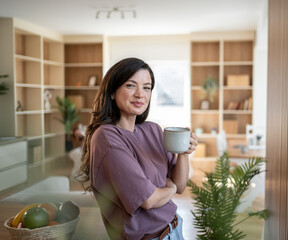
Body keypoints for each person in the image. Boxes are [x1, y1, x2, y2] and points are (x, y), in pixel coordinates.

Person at [78, 57, 198, 240]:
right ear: (112, 92)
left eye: (147, 87)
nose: (140, 94)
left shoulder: (153, 130)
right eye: (131, 85)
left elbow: (181, 184)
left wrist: (184, 151)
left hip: (175, 227)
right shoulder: (106, 137)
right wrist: (170, 188)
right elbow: (149, 200)